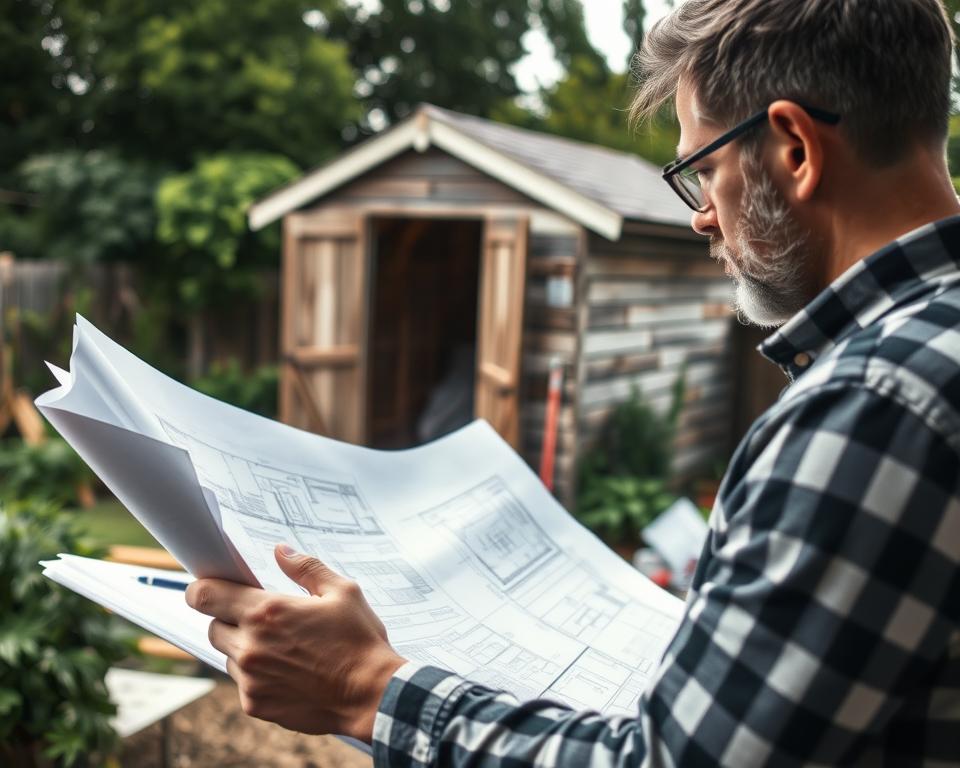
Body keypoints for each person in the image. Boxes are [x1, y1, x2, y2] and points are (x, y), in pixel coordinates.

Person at [185, 0, 960, 764]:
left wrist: (366, 688)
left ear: (794, 147)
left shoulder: (871, 407)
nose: (702, 217)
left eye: (702, 170)